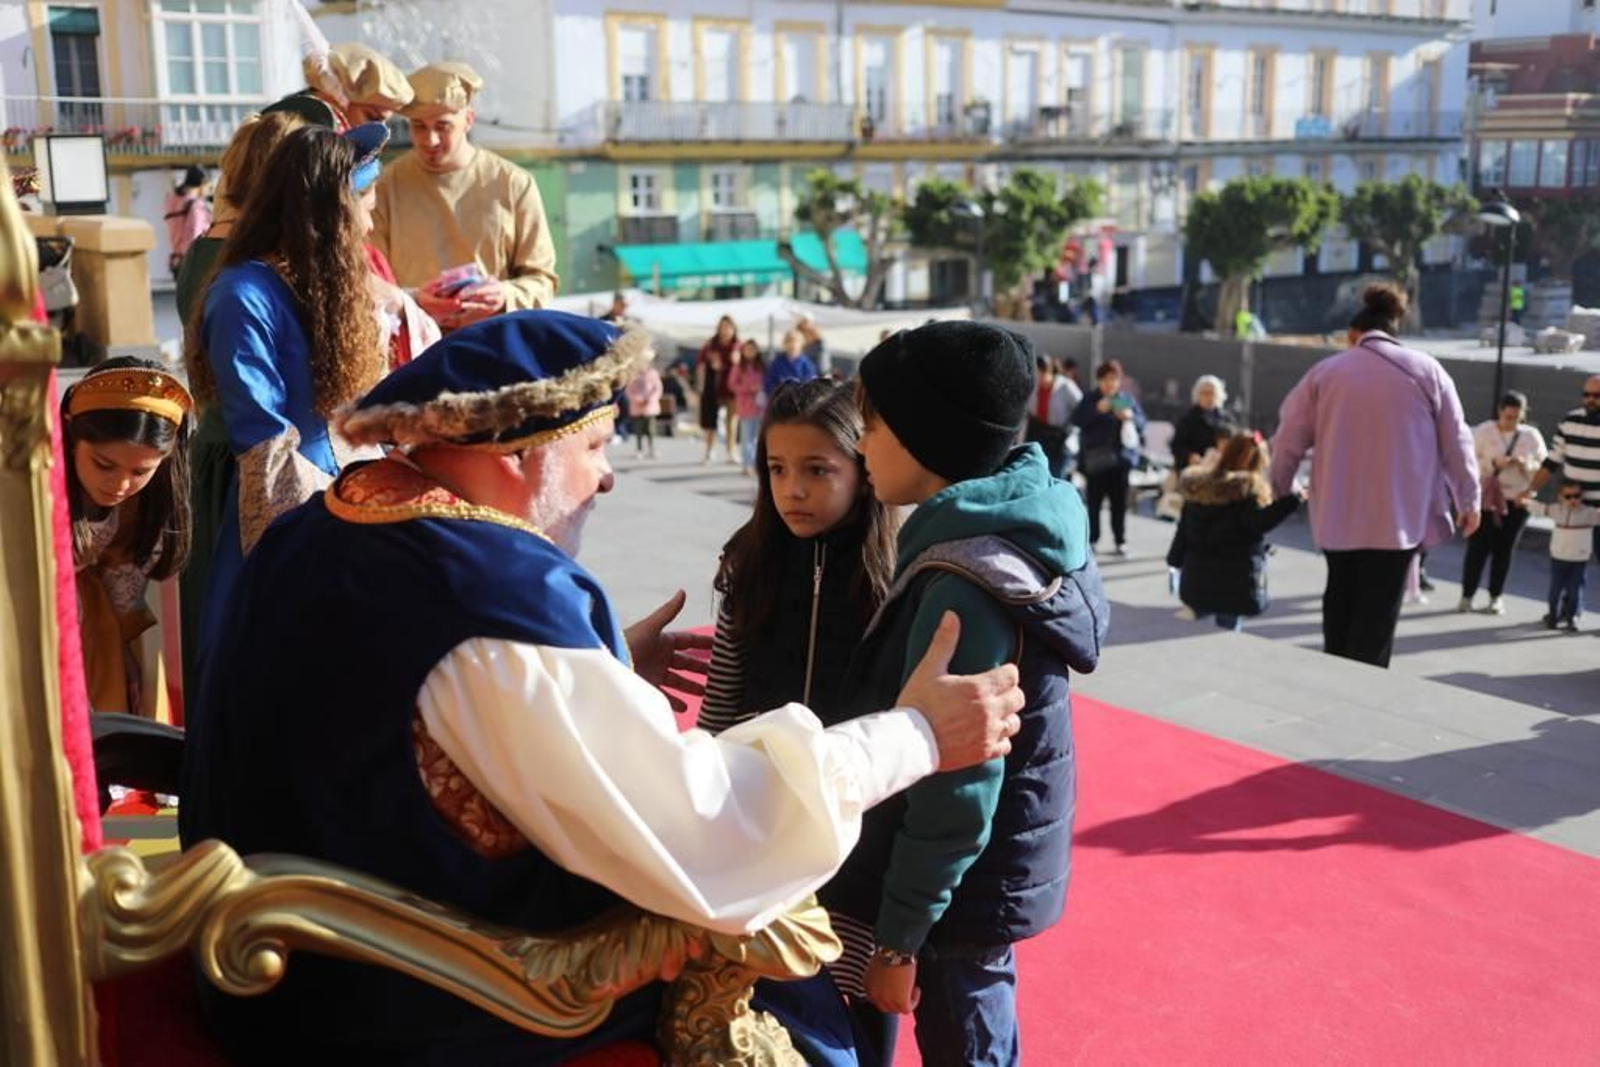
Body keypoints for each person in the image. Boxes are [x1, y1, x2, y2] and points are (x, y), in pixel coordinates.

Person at [179, 309, 1028, 1065]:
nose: (608, 475)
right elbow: (711, 830)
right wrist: (915, 734)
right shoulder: (493, 597)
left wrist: (604, 664)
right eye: (593, 446)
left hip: (270, 961)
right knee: (793, 992)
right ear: (513, 453)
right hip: (390, 1002)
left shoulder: (330, 521)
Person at [825, 321, 1107, 1067]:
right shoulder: (1014, 527)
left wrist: (899, 936)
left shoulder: (963, 584)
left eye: (874, 424)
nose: (860, 444)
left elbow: (958, 789)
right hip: (980, 893)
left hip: (954, 903)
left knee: (968, 1044)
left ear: (928, 437)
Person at [183, 123, 389, 673]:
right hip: (290, 521)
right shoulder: (242, 294)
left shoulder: (326, 288)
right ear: (332, 208)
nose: (372, 219)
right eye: (365, 202)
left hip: (352, 503)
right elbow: (265, 447)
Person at [1269, 282, 1479, 669]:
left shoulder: (1324, 373)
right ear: (1396, 329)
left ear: (1354, 335)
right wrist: (1469, 499)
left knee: (1340, 599)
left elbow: (1287, 441)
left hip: (1336, 514)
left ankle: (1334, 673)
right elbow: (1458, 441)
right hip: (1397, 520)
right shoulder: (1428, 370)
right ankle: (1359, 692)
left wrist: (1281, 487)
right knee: (1377, 619)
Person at [701, 379, 896, 735]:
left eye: (817, 470)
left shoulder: (896, 572)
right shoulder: (748, 561)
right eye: (778, 468)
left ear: (865, 471)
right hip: (755, 774)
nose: (793, 490)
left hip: (857, 779)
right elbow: (719, 700)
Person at [371, 62, 559, 330]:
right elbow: (371, 280)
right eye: (419, 126)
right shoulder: (384, 186)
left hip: (493, 346)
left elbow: (542, 279)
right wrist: (415, 300)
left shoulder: (513, 183)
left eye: (443, 126)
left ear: (468, 120)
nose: (430, 140)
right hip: (416, 350)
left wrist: (504, 296)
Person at [61, 359, 193, 718]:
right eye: (104, 464)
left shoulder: (138, 505)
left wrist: (129, 652)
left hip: (94, 629)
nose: (120, 485)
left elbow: (121, 576)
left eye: (140, 471)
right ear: (71, 436)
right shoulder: (29, 490)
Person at [1165, 432, 1301, 632]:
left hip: (1196, 579)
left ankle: (1197, 616)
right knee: (1227, 629)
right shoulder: (1247, 493)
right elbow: (1259, 523)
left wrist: (1174, 561)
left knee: (1200, 621)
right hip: (1234, 584)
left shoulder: (1198, 488)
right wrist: (1292, 501)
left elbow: (1182, 532)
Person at [1459, 391, 1547, 614]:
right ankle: (1467, 595)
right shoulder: (1484, 430)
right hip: (1487, 499)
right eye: (1508, 417)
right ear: (1500, 412)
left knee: (1504, 550)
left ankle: (1495, 596)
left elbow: (1543, 466)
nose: (1511, 422)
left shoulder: (1531, 436)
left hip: (1516, 500)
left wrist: (1525, 464)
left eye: (1516, 418)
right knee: (1478, 548)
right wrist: (1492, 462)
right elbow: (1468, 462)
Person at [1073, 359, 1146, 557]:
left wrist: (1130, 417)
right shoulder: (1091, 399)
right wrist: (1097, 410)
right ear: (1099, 380)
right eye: (1105, 379)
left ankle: (1120, 540)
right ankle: (1093, 540)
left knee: (1119, 504)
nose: (1110, 383)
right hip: (1095, 460)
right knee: (1094, 503)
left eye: (1114, 379)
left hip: (1121, 461)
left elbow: (1142, 423)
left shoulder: (1125, 399)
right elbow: (1077, 420)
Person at [264, 41, 415, 130]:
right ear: (331, 98)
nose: (380, 133)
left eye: (384, 123)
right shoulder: (279, 133)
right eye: (372, 117)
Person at [1530, 374, 1600, 562]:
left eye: (1596, 395)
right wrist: (1530, 490)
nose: (1590, 399)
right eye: (1586, 394)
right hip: (1571, 507)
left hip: (1597, 511)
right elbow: (1552, 461)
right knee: (1568, 565)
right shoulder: (1570, 421)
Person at [1524, 481, 1600, 631]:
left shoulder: (1589, 513)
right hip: (1559, 556)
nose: (1573, 500)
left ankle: (1572, 617)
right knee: (1555, 589)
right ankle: (1553, 616)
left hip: (1579, 558)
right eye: (1568, 496)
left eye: (1577, 496)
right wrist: (1524, 499)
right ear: (1560, 497)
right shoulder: (1556, 510)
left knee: (1575, 590)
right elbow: (1539, 508)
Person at [1027, 354, 1080, 478]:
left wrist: (1072, 432)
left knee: (1057, 476)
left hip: (1060, 439)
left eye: (1043, 373)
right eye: (1037, 373)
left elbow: (1080, 408)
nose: (1040, 377)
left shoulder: (1065, 386)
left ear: (1051, 371)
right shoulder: (1033, 387)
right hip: (1040, 435)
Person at [697, 316, 738, 464]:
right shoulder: (710, 345)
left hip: (732, 390)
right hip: (712, 389)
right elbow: (700, 365)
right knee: (710, 422)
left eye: (728, 327)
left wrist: (737, 361)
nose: (725, 330)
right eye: (723, 327)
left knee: (731, 422)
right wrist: (699, 387)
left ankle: (731, 451)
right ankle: (709, 451)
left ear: (733, 329)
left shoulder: (738, 346)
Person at [1171, 375, 1232, 471]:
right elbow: (1176, 445)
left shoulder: (1226, 418)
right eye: (1204, 393)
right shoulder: (1188, 419)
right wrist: (1189, 456)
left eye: (1212, 393)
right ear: (1198, 395)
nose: (1208, 397)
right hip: (1195, 469)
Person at [163, 165, 211, 280]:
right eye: (208, 187)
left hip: (177, 261)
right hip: (194, 263)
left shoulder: (171, 201)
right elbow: (196, 236)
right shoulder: (196, 206)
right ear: (202, 183)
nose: (207, 191)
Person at [729, 339, 767, 474]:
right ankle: (747, 465)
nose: (749, 352)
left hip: (761, 407)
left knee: (760, 438)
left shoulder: (762, 367)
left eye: (752, 349)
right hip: (745, 407)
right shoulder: (738, 367)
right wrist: (749, 388)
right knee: (747, 438)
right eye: (747, 349)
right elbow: (732, 385)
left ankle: (758, 465)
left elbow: (766, 384)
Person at [624, 354, 662, 458]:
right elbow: (628, 390)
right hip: (637, 407)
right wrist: (637, 399)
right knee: (638, 430)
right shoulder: (633, 374)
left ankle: (651, 449)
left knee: (650, 430)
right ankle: (639, 449)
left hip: (650, 407)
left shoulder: (653, 373)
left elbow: (657, 388)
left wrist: (651, 399)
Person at [765, 328, 819, 395]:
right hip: (781, 400)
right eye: (789, 341)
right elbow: (769, 383)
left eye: (796, 341)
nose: (792, 345)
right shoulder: (777, 363)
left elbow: (811, 385)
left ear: (801, 344)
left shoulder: (807, 364)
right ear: (784, 344)